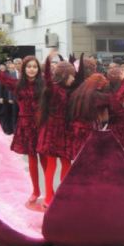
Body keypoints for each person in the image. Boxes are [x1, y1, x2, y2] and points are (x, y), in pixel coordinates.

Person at [0, 50, 47, 203]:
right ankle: (35, 191)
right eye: (29, 67)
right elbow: (0, 76)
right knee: (32, 159)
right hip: (26, 125)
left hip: (42, 124)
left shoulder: (44, 84)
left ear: (38, 69)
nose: (32, 69)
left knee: (45, 159)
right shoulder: (17, 85)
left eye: (35, 67)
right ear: (23, 69)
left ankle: (49, 191)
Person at [37, 53, 76, 208]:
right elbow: (47, 77)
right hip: (52, 131)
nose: (73, 78)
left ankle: (63, 195)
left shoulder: (67, 89)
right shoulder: (53, 88)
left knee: (66, 163)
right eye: (71, 75)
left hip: (64, 130)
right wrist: (47, 61)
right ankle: (48, 197)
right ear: (65, 75)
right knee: (52, 164)